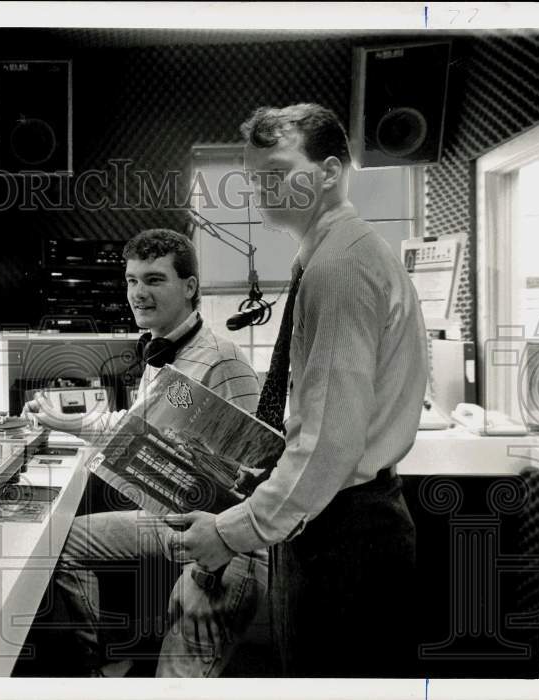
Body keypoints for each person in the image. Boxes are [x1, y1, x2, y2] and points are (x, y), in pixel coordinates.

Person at [162, 104, 427, 677]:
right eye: (255, 178)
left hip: (346, 536)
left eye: (277, 173)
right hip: (333, 524)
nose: (262, 190)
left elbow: (330, 443)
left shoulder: (341, 267)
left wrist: (232, 533)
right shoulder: (328, 257)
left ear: (329, 173)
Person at [25, 229, 268, 677]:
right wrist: (65, 423)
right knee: (61, 545)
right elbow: (132, 433)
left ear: (190, 288)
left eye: (154, 280)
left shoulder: (223, 361)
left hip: (228, 542)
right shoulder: (160, 355)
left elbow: (259, 471)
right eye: (132, 280)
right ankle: (93, 671)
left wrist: (222, 538)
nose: (138, 293)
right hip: (170, 519)